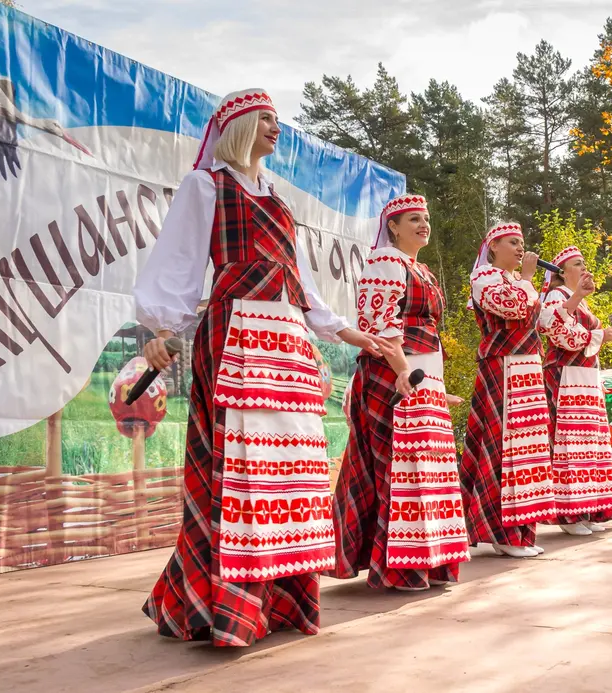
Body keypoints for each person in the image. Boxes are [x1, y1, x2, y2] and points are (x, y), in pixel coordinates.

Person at [134, 89, 386, 646]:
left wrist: (349, 333)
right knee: (238, 474)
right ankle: (225, 606)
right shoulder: (207, 186)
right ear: (240, 123)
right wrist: (159, 328)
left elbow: (306, 287)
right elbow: (176, 264)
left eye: (279, 119)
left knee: (286, 476)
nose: (278, 128)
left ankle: (278, 599)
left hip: (287, 347)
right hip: (237, 339)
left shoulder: (277, 198)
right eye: (268, 118)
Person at [326, 194, 471, 591]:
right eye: (413, 219)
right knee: (401, 470)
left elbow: (427, 334)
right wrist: (404, 371)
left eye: (426, 218)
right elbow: (378, 323)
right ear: (392, 226)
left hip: (421, 376)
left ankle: (429, 562)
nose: (424, 225)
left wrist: (438, 387)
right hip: (393, 374)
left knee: (427, 471)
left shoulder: (419, 267)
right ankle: (400, 568)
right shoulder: (386, 260)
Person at [459, 223, 556, 559]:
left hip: (526, 368)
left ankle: (521, 531)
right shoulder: (483, 277)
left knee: (526, 452)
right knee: (502, 446)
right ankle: (501, 532)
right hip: (503, 366)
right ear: (493, 246)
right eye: (513, 243)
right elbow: (511, 307)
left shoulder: (518, 282)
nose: (520, 248)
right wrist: (528, 279)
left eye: (522, 243)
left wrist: (527, 282)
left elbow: (539, 320)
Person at [538, 246, 612, 536]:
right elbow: (560, 333)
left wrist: (602, 336)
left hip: (585, 378)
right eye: (578, 264)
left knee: (587, 446)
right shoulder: (555, 296)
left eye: (585, 262)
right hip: (565, 375)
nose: (584, 267)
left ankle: (587, 509)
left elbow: (581, 335)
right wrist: (601, 335)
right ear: (562, 272)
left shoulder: (583, 304)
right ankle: (568, 513)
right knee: (569, 444)